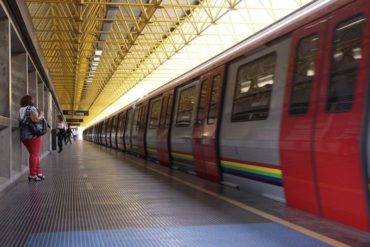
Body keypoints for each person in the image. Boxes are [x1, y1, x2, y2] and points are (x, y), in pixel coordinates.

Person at [18, 95, 45, 182]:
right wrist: (41, 115)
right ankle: (32, 175)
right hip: (33, 135)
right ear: (31, 101)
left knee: (34, 154)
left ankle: (39, 173)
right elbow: (35, 120)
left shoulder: (21, 109)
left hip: (24, 136)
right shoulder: (32, 108)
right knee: (34, 155)